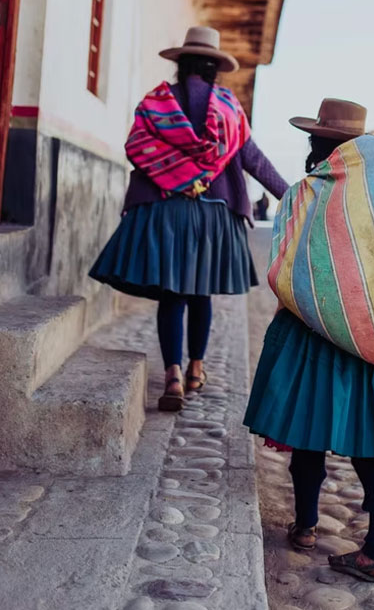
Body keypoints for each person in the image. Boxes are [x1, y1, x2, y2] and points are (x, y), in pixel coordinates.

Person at [243, 99, 374, 584]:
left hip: (312, 333)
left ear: (317, 145)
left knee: (308, 432)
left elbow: (286, 263)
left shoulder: (307, 194)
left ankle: (305, 525)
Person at [90, 26, 288, 411]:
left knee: (172, 295)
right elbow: (254, 161)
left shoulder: (156, 103)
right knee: (200, 294)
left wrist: (174, 173)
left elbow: (136, 148)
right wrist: (293, 196)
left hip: (165, 211)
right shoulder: (230, 110)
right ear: (214, 68)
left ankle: (173, 376)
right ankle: (197, 368)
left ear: (180, 65)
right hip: (213, 217)